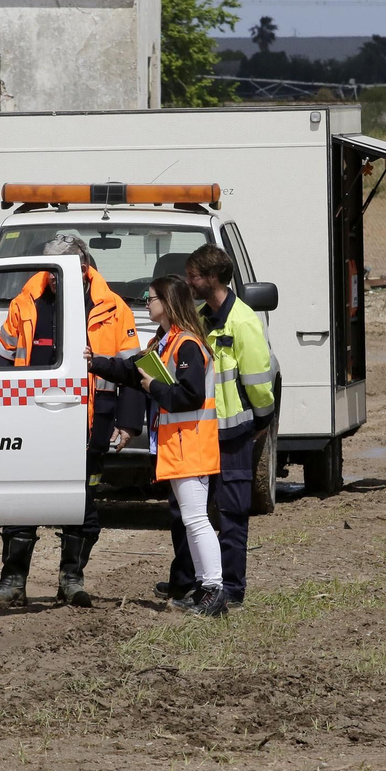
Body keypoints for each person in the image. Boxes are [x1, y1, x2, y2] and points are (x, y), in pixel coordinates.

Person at [0, 233, 144, 608]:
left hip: (91, 423)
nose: (53, 277)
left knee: (84, 500)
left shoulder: (114, 308)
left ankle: (71, 579)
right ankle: (12, 583)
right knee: (22, 502)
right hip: (30, 423)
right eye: (50, 271)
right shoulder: (25, 302)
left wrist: (129, 423)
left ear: (84, 268)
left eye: (62, 271)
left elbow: (132, 371)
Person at [89, 274, 228, 617]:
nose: (146, 303)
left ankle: (214, 589)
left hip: (191, 446)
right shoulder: (165, 342)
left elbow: (189, 396)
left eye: (150, 298)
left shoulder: (187, 345)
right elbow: (130, 371)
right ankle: (203, 587)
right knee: (192, 521)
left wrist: (153, 388)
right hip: (179, 447)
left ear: (167, 303)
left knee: (197, 521)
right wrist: (95, 362)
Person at [157, 243, 277, 609]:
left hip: (233, 434)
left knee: (231, 513)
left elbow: (259, 381)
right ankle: (197, 583)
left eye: (193, 276)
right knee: (190, 513)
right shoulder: (200, 319)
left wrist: (261, 420)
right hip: (202, 431)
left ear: (211, 278)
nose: (189, 283)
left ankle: (232, 591)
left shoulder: (242, 321)